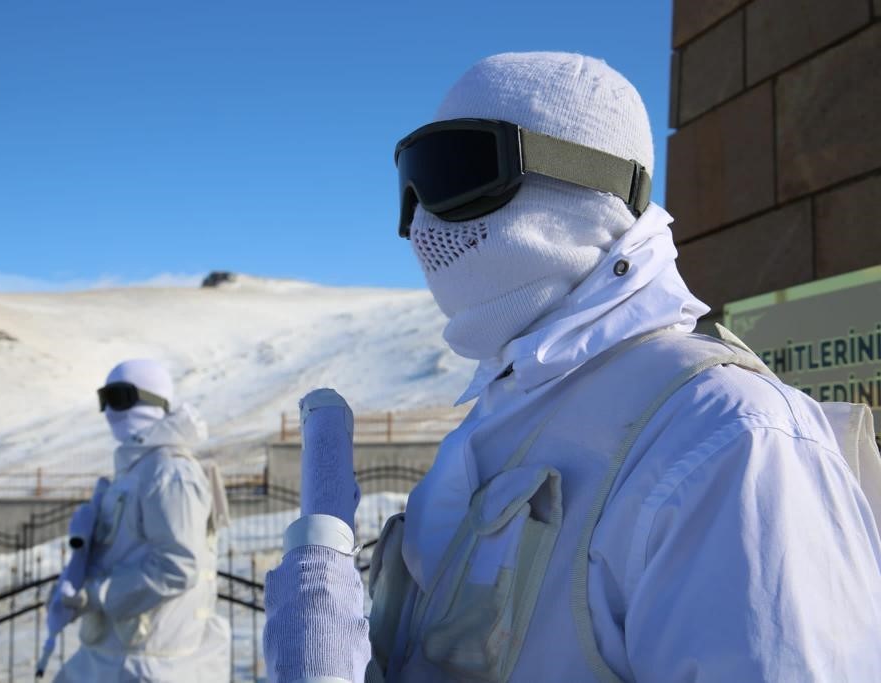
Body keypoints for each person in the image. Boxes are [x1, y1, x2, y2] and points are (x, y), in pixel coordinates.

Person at [263, 52, 881, 682]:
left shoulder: (725, 440)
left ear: (590, 183)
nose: (421, 223)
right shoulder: (495, 417)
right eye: (409, 185)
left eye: (452, 172)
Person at [54, 358, 230, 683]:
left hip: (152, 664)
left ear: (154, 400)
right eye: (103, 400)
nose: (109, 411)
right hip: (115, 656)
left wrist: (98, 594)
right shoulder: (136, 471)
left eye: (119, 397)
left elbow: (178, 564)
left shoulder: (169, 472)